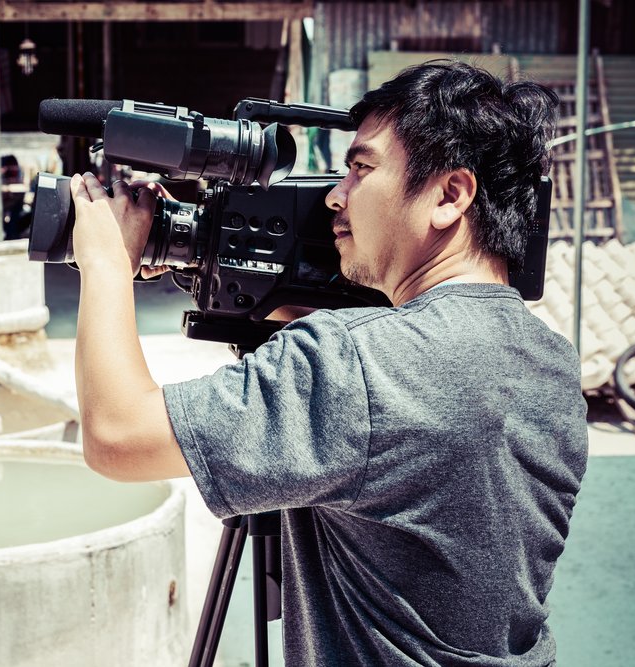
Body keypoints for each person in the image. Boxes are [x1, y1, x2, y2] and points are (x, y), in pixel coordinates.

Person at [66, 61, 588, 665]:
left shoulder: (354, 362)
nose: (336, 196)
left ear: (449, 196)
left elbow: (116, 435)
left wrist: (107, 262)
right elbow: (402, 393)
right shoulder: (551, 362)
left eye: (361, 169)